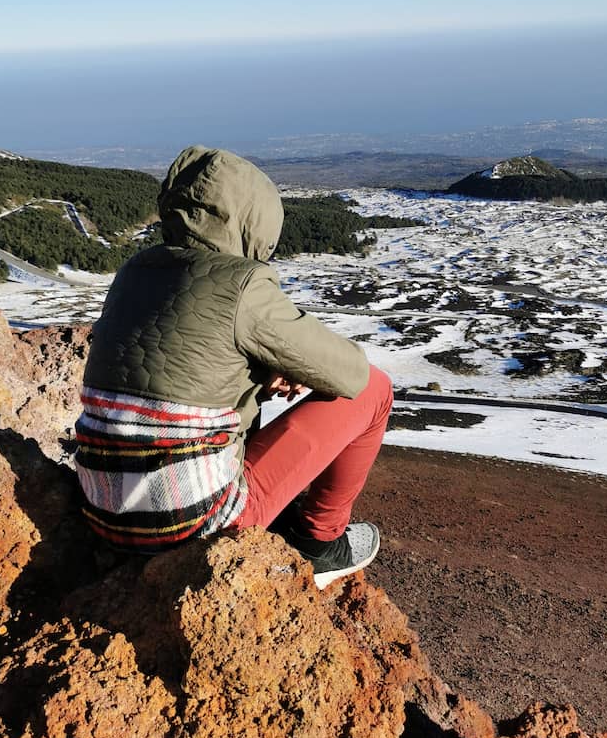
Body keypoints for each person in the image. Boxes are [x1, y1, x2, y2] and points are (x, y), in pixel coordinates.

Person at [74, 145, 393, 588]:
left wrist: (259, 373)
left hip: (102, 513)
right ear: (253, 219)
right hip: (195, 527)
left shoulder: (133, 272)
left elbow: (191, 374)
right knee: (375, 390)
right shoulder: (243, 283)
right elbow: (350, 373)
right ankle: (319, 543)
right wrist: (282, 364)